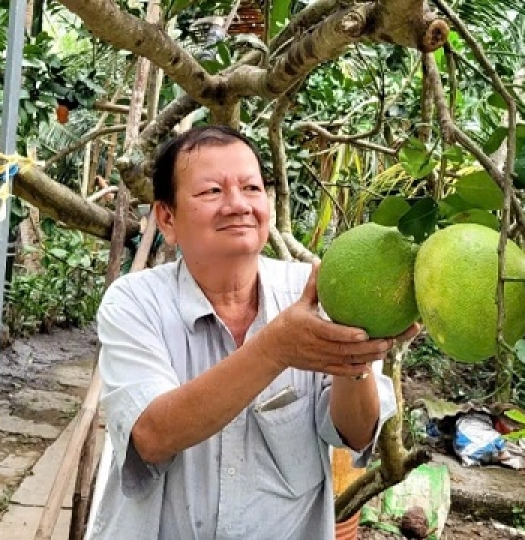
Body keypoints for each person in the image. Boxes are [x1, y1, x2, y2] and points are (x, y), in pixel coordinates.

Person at [88, 125, 419, 540]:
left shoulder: (316, 293)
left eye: (251, 187)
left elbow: (354, 434)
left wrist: (352, 357)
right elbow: (153, 435)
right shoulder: (135, 302)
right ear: (167, 218)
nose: (238, 204)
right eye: (211, 192)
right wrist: (275, 349)